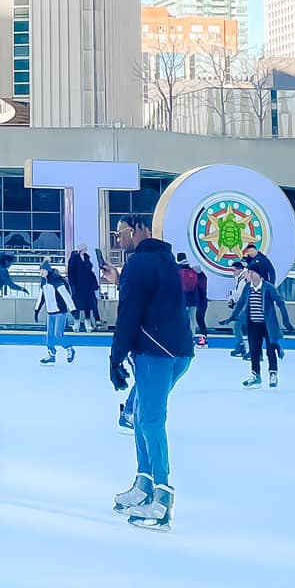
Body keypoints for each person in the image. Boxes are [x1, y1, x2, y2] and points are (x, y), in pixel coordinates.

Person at [109, 219, 194, 530]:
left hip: (156, 352)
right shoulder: (163, 260)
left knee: (149, 420)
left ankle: (161, 496)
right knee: (145, 415)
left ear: (139, 229)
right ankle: (143, 485)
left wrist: (115, 357)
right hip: (176, 351)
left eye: (121, 232)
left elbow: (129, 311)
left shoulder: (141, 263)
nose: (118, 239)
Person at [231, 264, 287, 387]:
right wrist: (232, 316)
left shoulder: (268, 287)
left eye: (251, 272)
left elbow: (280, 303)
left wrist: (286, 320)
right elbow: (241, 303)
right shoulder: (247, 287)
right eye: (249, 272)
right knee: (254, 351)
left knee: (270, 351)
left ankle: (273, 373)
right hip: (253, 325)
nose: (249, 275)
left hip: (267, 325)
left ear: (258, 274)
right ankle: (256, 375)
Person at [36, 266, 76, 364]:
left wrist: (73, 309)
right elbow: (41, 297)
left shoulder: (56, 281)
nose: (41, 272)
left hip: (60, 312)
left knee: (58, 335)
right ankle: (51, 354)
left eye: (43, 270)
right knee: (49, 336)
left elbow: (66, 295)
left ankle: (69, 348)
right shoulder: (43, 282)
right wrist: (36, 310)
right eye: (40, 270)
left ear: (47, 270)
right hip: (50, 313)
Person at [174, 252, 208, 347]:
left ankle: (181, 339)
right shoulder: (194, 270)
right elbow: (202, 284)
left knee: (181, 319)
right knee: (192, 319)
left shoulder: (176, 270)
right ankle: (191, 338)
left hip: (181, 300)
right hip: (193, 299)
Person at [67, 247, 101, 333]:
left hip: (87, 286)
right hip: (78, 286)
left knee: (87, 305)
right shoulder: (74, 258)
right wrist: (73, 286)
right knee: (77, 305)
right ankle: (76, 322)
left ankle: (87, 323)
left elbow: (90, 271)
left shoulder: (86, 258)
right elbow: (71, 273)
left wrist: (94, 285)